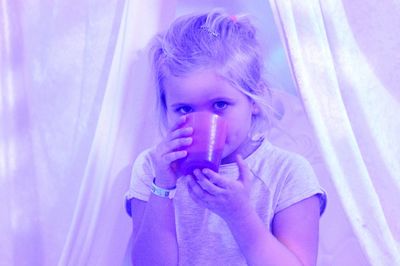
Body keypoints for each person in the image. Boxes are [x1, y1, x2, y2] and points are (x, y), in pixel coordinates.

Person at [125, 9, 326, 266]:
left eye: (219, 105)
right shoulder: (153, 168)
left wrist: (239, 215)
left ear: (253, 99)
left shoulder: (288, 173)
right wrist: (162, 187)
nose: (204, 123)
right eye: (184, 109)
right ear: (166, 108)